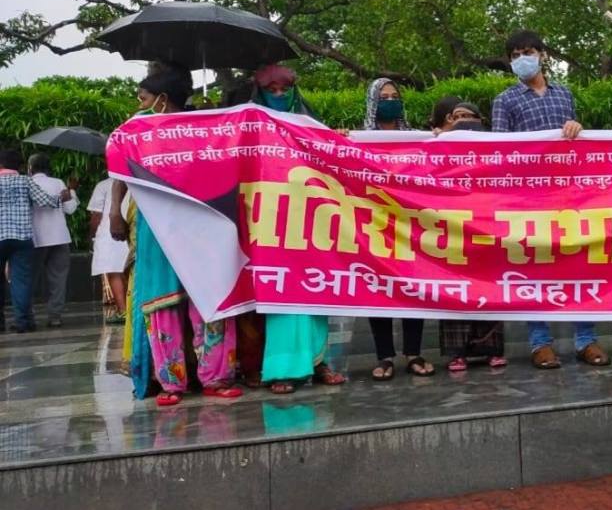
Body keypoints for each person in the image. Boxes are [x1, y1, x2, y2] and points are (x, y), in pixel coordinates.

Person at [112, 61, 243, 405]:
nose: (140, 104)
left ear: (162, 98)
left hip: (201, 223)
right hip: (156, 227)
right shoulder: (136, 129)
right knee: (160, 302)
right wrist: (114, 211)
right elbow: (119, 169)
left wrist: (215, 118)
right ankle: (170, 382)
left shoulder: (204, 125)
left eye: (143, 98)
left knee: (209, 298)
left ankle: (216, 377)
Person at [490, 30, 608, 369]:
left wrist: (576, 127)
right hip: (529, 197)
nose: (521, 59)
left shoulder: (564, 94)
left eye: (527, 52)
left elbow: (575, 142)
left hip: (569, 194)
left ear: (542, 55)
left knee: (579, 263)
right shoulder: (505, 100)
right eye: (515, 55)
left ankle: (586, 339)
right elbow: (499, 150)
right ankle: (539, 343)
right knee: (534, 267)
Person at [250, 64, 346, 394]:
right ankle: (282, 370)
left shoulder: (310, 121)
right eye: (271, 91)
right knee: (280, 292)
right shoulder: (250, 123)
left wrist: (338, 141)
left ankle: (319, 362)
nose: (279, 96)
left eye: (284, 90)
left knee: (314, 289)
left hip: (310, 216)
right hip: (270, 218)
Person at [364, 77, 436, 380]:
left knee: (412, 286)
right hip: (374, 223)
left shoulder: (415, 137)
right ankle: (384, 356)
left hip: (409, 223)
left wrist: (438, 139)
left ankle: (413, 353)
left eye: (395, 97)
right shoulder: (359, 138)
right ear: (372, 102)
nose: (390, 101)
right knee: (377, 288)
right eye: (384, 97)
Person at [436, 107, 508, 372]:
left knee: (489, 289)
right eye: (456, 117)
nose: (462, 121)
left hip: (487, 230)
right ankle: (457, 353)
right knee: (454, 290)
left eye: (468, 116)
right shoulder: (440, 148)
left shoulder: (496, 150)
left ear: (480, 120)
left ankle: (491, 350)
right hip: (453, 231)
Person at [0, 149, 70, 333]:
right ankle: (23, 322)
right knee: (21, 280)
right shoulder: (26, 181)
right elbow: (45, 201)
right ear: (21, 166)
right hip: (22, 238)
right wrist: (61, 197)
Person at [27, 153, 79, 328]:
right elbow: (70, 209)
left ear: (30, 168)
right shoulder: (58, 183)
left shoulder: (27, 183)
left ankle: (28, 314)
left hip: (35, 238)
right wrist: (72, 191)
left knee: (29, 279)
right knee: (58, 279)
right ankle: (55, 316)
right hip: (59, 237)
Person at [87, 178, 130, 320]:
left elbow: (96, 216)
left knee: (114, 272)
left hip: (110, 233)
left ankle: (123, 310)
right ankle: (133, 309)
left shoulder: (103, 185)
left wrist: (91, 235)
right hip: (131, 230)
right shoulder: (136, 180)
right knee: (130, 272)